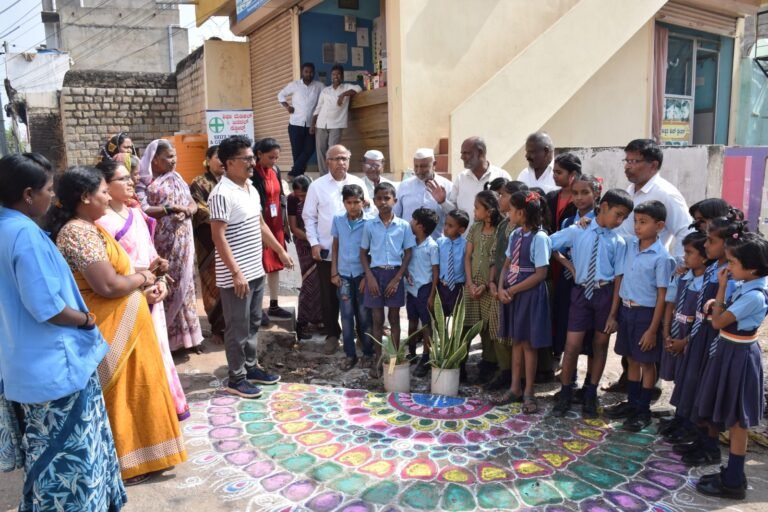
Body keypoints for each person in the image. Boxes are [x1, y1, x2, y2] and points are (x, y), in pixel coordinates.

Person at [0, 153, 127, 510]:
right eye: (48, 190)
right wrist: (85, 320)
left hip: (23, 365)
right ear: (27, 194)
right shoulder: (24, 235)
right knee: (67, 460)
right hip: (55, 369)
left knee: (45, 451)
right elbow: (49, 308)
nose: (51, 198)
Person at [46, 166, 187, 484]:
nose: (109, 197)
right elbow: (106, 286)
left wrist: (143, 272)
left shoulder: (89, 227)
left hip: (127, 323)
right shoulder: (78, 232)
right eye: (103, 192)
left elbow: (111, 272)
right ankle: (127, 462)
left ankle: (147, 456)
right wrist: (144, 277)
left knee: (140, 392)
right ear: (85, 197)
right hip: (112, 328)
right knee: (124, 398)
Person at [95, 159, 190, 422]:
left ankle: (166, 410)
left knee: (159, 351)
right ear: (105, 185)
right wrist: (142, 280)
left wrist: (159, 278)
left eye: (130, 178)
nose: (130, 183)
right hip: (126, 296)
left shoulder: (136, 214)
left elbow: (150, 252)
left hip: (151, 290)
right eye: (122, 179)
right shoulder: (100, 223)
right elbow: (109, 270)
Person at [208, 135, 293, 398]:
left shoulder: (249, 188)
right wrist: (235, 272)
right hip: (237, 276)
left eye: (251, 158)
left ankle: (251, 366)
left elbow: (260, 224)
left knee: (254, 321)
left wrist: (280, 251)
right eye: (247, 158)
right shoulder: (221, 194)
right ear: (230, 163)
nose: (252, 162)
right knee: (237, 326)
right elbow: (218, 236)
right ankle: (237, 378)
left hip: (255, 270)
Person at [693, 231, 768, 501]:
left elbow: (717, 322)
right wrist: (720, 301)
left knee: (738, 421)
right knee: (729, 412)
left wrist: (721, 290)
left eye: (733, 263)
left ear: (752, 267)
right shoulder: (747, 284)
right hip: (729, 350)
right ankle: (732, 473)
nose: (729, 268)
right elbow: (723, 311)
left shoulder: (755, 295)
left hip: (738, 356)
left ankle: (734, 481)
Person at [549, 189, 634, 418]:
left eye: (624, 218)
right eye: (618, 214)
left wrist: (613, 314)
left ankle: (590, 392)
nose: (620, 221)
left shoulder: (619, 242)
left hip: (605, 295)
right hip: (580, 293)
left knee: (600, 345)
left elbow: (619, 279)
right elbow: (550, 244)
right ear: (604, 206)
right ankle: (566, 392)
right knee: (572, 345)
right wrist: (571, 268)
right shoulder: (579, 230)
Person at [670, 217, 739, 465]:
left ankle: (710, 448)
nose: (706, 245)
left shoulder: (731, 276)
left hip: (714, 338)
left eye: (712, 240)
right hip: (699, 336)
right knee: (695, 388)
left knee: (707, 392)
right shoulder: (711, 268)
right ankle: (698, 439)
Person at [606, 201, 675, 432]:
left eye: (643, 222)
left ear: (660, 225)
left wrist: (652, 330)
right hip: (627, 311)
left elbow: (662, 297)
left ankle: (643, 409)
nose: (637, 227)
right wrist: (614, 313)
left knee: (646, 362)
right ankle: (632, 404)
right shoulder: (630, 247)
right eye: (635, 221)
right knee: (632, 359)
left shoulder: (662, 258)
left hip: (646, 315)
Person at [303, 144, 369, 354]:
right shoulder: (317, 186)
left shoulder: (358, 183)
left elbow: (370, 212)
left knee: (359, 295)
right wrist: (314, 242)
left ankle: (361, 334)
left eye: (344, 158)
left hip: (356, 255)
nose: (341, 162)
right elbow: (309, 216)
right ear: (327, 161)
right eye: (336, 158)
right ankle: (333, 335)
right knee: (329, 296)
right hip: (327, 251)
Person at [141, 139, 204, 352]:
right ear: (155, 160)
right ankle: (169, 340)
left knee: (186, 286)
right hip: (162, 244)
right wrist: (168, 209)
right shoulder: (145, 183)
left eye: (175, 155)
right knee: (166, 286)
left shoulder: (177, 178)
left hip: (184, 241)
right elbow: (144, 209)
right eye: (169, 156)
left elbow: (192, 202)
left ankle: (190, 339)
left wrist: (188, 210)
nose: (173, 160)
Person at [495, 190, 552, 411]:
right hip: (512, 294)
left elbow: (540, 274)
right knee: (516, 342)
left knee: (528, 344)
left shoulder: (540, 238)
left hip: (529, 296)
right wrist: (501, 288)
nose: (508, 214)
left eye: (510, 210)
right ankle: (514, 388)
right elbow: (507, 265)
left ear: (521, 212)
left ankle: (529, 391)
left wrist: (513, 289)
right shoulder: (515, 234)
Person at [551, 175, 601, 400]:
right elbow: (554, 246)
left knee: (593, 338)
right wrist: (569, 266)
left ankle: (590, 385)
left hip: (594, 284)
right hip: (570, 281)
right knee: (569, 332)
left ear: (596, 193)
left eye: (585, 193)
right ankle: (569, 380)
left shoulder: (602, 221)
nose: (579, 198)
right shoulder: (568, 221)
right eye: (575, 193)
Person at [360, 182, 416, 378]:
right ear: (374, 201)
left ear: (395, 200)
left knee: (394, 318)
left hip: (394, 274)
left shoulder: (403, 226)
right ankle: (378, 359)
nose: (383, 202)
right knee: (377, 319)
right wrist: (369, 277)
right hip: (375, 275)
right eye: (379, 198)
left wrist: (397, 278)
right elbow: (363, 253)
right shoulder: (369, 225)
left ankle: (393, 359)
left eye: (387, 198)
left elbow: (408, 252)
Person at [657, 232, 708, 439]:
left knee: (691, 379)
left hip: (691, 336)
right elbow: (670, 303)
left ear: (704, 257)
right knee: (679, 376)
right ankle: (680, 417)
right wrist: (666, 332)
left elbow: (703, 320)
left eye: (689, 252)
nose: (684, 256)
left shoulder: (708, 283)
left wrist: (685, 341)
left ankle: (689, 423)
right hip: (676, 331)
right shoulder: (682, 276)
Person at [615, 139, 692, 258]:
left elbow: (685, 230)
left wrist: (680, 264)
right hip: (623, 267)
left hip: (649, 269)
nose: (627, 166)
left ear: (653, 165)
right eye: (627, 161)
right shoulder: (629, 190)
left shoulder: (666, 194)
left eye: (634, 161)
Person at [485, 180, 528, 391]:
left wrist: (508, 287)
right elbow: (495, 256)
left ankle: (520, 376)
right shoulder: (503, 225)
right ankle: (505, 370)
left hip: (518, 289)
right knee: (498, 329)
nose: (499, 199)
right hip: (500, 286)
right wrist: (492, 283)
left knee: (517, 333)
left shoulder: (525, 228)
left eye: (503, 195)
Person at [331, 184, 375, 370]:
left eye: (356, 202)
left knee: (365, 316)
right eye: (349, 202)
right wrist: (334, 271)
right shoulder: (338, 220)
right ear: (344, 203)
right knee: (346, 315)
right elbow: (335, 246)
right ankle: (350, 354)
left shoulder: (371, 222)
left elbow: (373, 251)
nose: (353, 206)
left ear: (363, 202)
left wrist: (368, 275)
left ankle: (368, 353)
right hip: (343, 276)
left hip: (362, 275)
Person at [251, 138, 293, 320]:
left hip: (276, 224)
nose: (274, 161)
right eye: (270, 157)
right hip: (260, 224)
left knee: (275, 264)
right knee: (258, 265)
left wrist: (285, 226)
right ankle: (256, 309)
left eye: (276, 157)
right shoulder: (252, 174)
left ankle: (274, 304)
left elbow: (281, 197)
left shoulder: (275, 170)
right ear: (259, 154)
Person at [463, 191, 502, 382]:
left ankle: (488, 365)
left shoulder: (499, 230)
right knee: (467, 324)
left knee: (488, 329)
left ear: (489, 211)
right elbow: (467, 257)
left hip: (488, 288)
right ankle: (460, 363)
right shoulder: (475, 228)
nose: (474, 210)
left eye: (477, 207)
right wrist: (470, 283)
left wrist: (486, 286)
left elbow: (496, 261)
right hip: (471, 287)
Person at [190, 145, 226, 344]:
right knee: (213, 285)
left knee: (231, 282)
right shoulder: (199, 182)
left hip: (232, 239)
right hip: (208, 241)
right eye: (217, 157)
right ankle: (217, 328)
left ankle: (233, 325)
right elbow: (200, 209)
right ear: (207, 160)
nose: (221, 161)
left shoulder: (232, 181)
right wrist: (224, 219)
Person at [428, 136, 511, 218]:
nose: (462, 157)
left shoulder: (501, 176)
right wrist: (443, 201)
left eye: (466, 153)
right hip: (466, 232)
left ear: (480, 152)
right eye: (462, 153)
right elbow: (455, 213)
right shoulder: (461, 178)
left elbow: (511, 208)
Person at [406, 207, 440, 378]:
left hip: (425, 289)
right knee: (412, 322)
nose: (410, 222)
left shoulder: (432, 246)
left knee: (427, 325)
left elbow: (435, 272)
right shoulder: (410, 242)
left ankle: (426, 357)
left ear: (420, 226)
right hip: (411, 289)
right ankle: (412, 353)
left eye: (413, 219)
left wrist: (432, 295)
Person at [288, 175, 322, 339]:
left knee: (322, 282)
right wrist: (312, 240)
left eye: (304, 195)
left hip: (321, 243)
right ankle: (304, 322)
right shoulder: (292, 200)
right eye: (298, 195)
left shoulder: (317, 195)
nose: (301, 198)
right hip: (304, 243)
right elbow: (294, 227)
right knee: (309, 281)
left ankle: (321, 320)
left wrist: (318, 241)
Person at [312, 65, 362, 175]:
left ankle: (331, 173)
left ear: (342, 76)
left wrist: (343, 95)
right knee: (321, 150)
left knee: (332, 150)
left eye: (338, 74)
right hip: (321, 124)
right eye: (334, 74)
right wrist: (313, 124)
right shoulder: (325, 90)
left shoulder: (346, 87)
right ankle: (323, 175)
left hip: (336, 124)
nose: (336, 76)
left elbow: (358, 88)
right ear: (331, 76)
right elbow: (319, 107)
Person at [278, 62, 325, 177]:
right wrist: (287, 107)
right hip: (295, 124)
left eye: (311, 72)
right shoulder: (294, 85)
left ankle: (293, 173)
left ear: (313, 73)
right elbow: (280, 95)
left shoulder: (319, 86)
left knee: (309, 150)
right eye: (306, 72)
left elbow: (325, 98)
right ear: (302, 72)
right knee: (297, 153)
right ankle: (299, 177)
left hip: (311, 125)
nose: (309, 74)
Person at [396, 148, 453, 239]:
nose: (419, 171)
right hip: (408, 245)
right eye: (416, 166)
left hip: (436, 244)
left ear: (434, 165)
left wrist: (443, 202)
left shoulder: (447, 186)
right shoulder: (404, 185)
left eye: (423, 166)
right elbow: (396, 215)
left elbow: (455, 216)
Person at [436, 209, 470, 316]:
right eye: (445, 224)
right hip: (441, 286)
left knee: (457, 317)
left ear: (461, 230)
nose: (445, 228)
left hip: (458, 287)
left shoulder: (466, 246)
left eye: (450, 226)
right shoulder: (439, 243)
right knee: (440, 317)